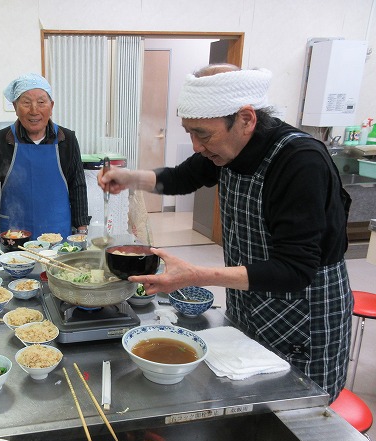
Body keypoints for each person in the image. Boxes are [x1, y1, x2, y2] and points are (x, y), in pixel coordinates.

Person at [98, 64, 353, 402]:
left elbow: (295, 270)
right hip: (250, 294)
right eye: (189, 132)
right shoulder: (228, 148)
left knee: (296, 404)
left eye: (202, 134)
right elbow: (181, 178)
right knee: (248, 393)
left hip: (303, 311)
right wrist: (129, 178)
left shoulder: (300, 161)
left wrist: (195, 275)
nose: (196, 145)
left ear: (246, 119)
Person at [0, 73, 91, 247]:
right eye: (26, 103)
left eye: (41, 102)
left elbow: (77, 186)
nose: (34, 110)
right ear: (15, 107)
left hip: (58, 232)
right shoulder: (2, 140)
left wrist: (82, 231)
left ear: (51, 106)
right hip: (15, 233)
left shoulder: (66, 139)